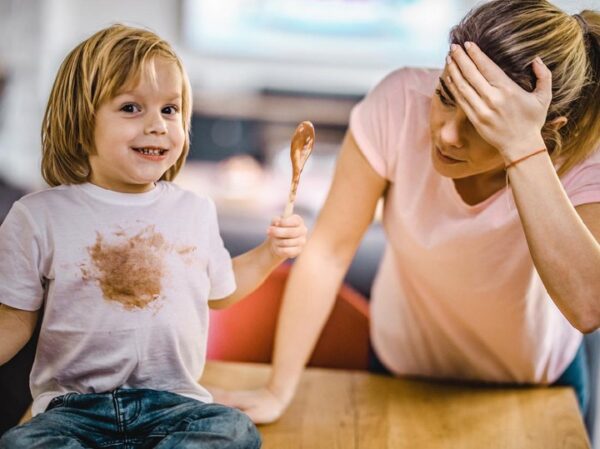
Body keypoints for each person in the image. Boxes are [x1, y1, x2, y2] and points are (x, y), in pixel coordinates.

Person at [213, 0, 600, 424]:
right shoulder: (399, 103)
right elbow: (328, 252)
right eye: (445, 97)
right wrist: (278, 389)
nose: (448, 134)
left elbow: (588, 306)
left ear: (547, 131)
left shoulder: (582, 159)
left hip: (532, 386)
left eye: (483, 121)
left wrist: (523, 150)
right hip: (399, 368)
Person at [0, 24, 308, 448]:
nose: (158, 125)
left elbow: (219, 291)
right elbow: (15, 320)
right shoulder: (37, 217)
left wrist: (272, 252)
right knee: (20, 444)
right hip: (72, 412)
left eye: (170, 109)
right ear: (80, 117)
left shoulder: (195, 210)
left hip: (174, 405)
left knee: (235, 432)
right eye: (131, 108)